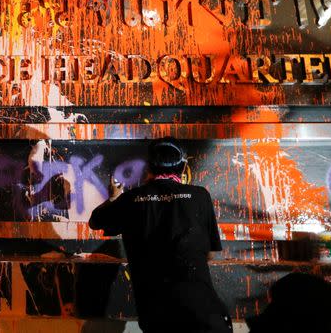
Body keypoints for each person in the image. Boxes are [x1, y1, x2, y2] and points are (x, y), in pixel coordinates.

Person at [89, 137, 231, 333]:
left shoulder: (131, 199)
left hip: (155, 311)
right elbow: (209, 254)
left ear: (149, 167)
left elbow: (96, 221)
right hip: (202, 310)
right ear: (183, 166)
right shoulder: (199, 196)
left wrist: (113, 198)